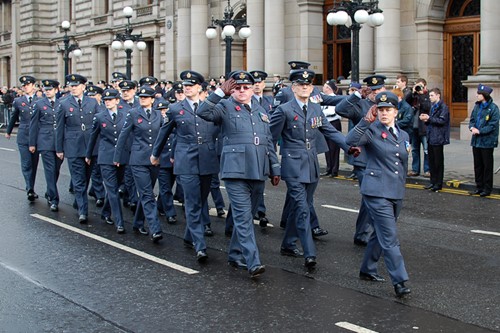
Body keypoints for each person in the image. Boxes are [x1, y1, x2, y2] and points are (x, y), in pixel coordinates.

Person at [270, 68, 357, 269]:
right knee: (302, 209)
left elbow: (329, 131)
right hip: (292, 164)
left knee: (300, 205)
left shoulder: (316, 109)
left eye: (308, 85)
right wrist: (273, 167)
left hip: (311, 164)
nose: (305, 87)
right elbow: (270, 140)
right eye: (301, 84)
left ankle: (288, 244)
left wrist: (348, 147)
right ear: (293, 88)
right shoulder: (284, 110)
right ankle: (310, 253)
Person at [197, 70, 281, 278]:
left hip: (258, 169)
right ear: (231, 90)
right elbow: (203, 112)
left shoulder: (261, 110)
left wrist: (275, 168)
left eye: (246, 87)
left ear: (253, 89)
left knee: (247, 215)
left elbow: (268, 140)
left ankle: (235, 253)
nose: (242, 91)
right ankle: (253, 262)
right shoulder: (224, 106)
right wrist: (219, 92)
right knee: (243, 218)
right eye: (237, 87)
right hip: (235, 170)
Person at [345, 91, 411, 298]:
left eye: (388, 109)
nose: (384, 113)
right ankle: (400, 281)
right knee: (390, 237)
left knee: (380, 233)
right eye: (380, 109)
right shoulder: (371, 130)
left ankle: (367, 269)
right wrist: (365, 120)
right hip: (376, 192)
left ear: (395, 112)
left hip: (395, 191)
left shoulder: (403, 135)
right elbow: (350, 139)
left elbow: (403, 164)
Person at [151, 70, 219, 261]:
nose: (187, 88)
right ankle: (200, 245)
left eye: (191, 85)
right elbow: (163, 133)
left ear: (199, 88)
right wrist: (155, 154)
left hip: (207, 159)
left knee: (202, 198)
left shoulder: (210, 107)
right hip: (186, 160)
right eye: (185, 85)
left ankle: (190, 235)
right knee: (192, 202)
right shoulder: (175, 108)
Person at [114, 85, 163, 242]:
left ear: (152, 99)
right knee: (147, 194)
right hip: (138, 160)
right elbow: (123, 135)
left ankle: (138, 222)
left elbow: (164, 135)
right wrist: (117, 156)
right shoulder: (133, 113)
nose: (143, 99)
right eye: (141, 97)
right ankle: (155, 228)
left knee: (146, 193)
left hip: (154, 160)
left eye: (146, 97)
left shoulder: (159, 115)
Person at [56, 74, 100, 223]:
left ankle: (79, 201)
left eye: (76, 86)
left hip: (90, 146)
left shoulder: (93, 103)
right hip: (73, 145)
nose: (73, 88)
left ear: (83, 86)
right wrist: (59, 148)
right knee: (78, 179)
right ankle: (83, 210)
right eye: (71, 86)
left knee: (87, 177)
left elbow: (99, 123)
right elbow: (60, 127)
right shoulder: (63, 103)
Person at [29, 79, 62, 211]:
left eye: (50, 89)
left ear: (56, 90)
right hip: (45, 141)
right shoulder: (39, 104)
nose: (47, 92)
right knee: (49, 169)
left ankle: (50, 191)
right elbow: (34, 125)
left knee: (56, 170)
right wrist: (32, 143)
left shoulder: (62, 103)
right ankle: (54, 199)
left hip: (59, 142)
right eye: (45, 90)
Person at [5, 75, 40, 201]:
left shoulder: (40, 100)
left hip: (37, 136)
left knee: (34, 163)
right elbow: (14, 117)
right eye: (24, 86)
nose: (25, 87)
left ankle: (32, 185)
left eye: (28, 85)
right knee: (26, 164)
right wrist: (8, 131)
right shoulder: (18, 101)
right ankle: (29, 188)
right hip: (24, 135)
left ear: (33, 86)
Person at [468, 84, 500, 197]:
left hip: (487, 142)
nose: (477, 95)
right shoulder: (477, 107)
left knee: (487, 166)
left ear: (484, 95)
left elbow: (493, 125)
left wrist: (479, 131)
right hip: (476, 141)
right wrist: (472, 127)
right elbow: (471, 120)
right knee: (478, 165)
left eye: (479, 94)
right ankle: (479, 186)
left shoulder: (494, 108)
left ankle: (487, 188)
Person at [419, 88, 450, 192]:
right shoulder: (432, 106)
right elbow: (432, 121)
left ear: (438, 96)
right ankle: (432, 182)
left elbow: (442, 121)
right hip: (431, 136)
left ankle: (438, 183)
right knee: (431, 161)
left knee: (438, 162)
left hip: (438, 137)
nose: (430, 97)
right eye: (430, 96)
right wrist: (426, 119)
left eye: (432, 95)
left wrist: (429, 118)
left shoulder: (443, 107)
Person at [408, 78, 431, 177]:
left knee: (426, 149)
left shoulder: (428, 96)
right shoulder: (414, 96)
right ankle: (415, 169)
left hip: (423, 127)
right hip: (414, 127)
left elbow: (427, 107)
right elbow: (406, 102)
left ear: (425, 86)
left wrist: (422, 94)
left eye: (421, 86)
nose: (419, 88)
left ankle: (427, 170)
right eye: (417, 85)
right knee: (414, 150)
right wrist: (412, 93)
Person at [320, 79, 342, 177]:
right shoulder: (322, 98)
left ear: (329, 88)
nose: (323, 88)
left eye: (325, 86)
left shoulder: (335, 99)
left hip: (333, 123)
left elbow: (332, 112)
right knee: (326, 147)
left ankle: (334, 170)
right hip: (325, 123)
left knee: (334, 148)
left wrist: (322, 114)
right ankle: (328, 168)